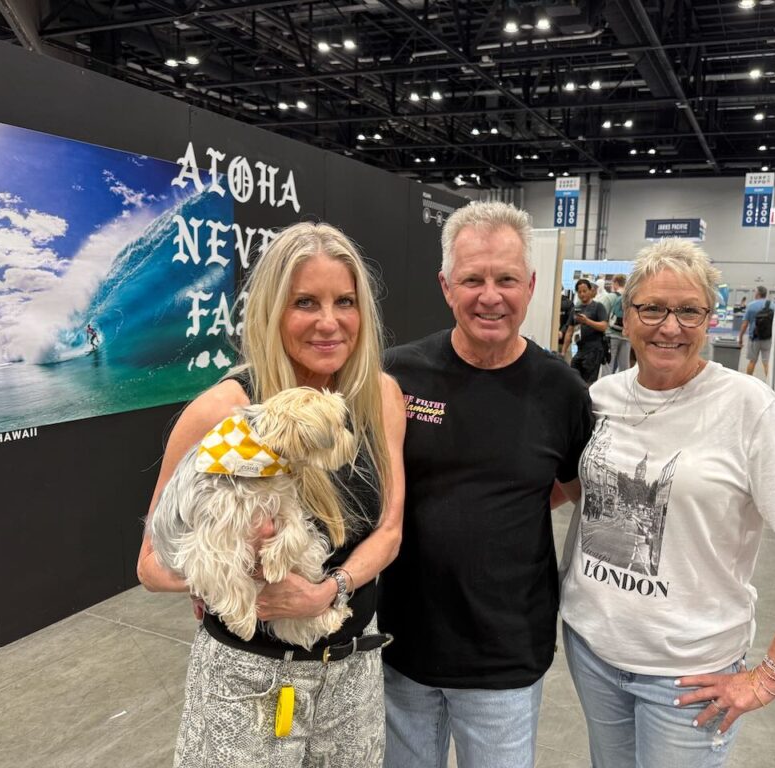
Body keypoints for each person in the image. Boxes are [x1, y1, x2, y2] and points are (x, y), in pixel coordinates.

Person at [559, 238, 775, 767]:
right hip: (592, 648)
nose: (669, 327)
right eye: (652, 308)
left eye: (689, 311)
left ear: (710, 318)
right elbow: (572, 488)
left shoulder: (747, 406)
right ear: (627, 313)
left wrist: (769, 678)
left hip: (689, 675)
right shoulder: (601, 397)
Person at [136, 222, 406, 768]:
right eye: (305, 302)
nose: (329, 322)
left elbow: (391, 530)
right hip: (248, 680)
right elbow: (151, 563)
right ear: (271, 310)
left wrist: (330, 588)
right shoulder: (222, 412)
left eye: (344, 301)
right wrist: (232, 576)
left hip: (351, 671)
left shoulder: (380, 395)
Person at [378, 201, 593, 768]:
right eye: (473, 279)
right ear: (446, 285)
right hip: (403, 648)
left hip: (505, 656)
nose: (490, 295)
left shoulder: (561, 390)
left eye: (506, 279)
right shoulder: (396, 374)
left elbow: (573, 488)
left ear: (532, 285)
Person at [562, 278, 610, 384]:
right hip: (580, 350)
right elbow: (569, 331)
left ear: (590, 290)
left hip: (594, 350)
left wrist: (587, 321)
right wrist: (563, 352)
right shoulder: (575, 309)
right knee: (574, 380)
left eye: (585, 291)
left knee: (588, 383)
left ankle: (588, 400)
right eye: (579, 292)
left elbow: (604, 326)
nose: (582, 294)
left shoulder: (598, 307)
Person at [738, 285, 775, 377]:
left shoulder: (751, 305)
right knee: (766, 362)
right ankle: (769, 383)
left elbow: (745, 324)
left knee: (752, 361)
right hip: (768, 338)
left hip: (754, 338)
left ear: (758, 294)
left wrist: (740, 338)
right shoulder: (772, 305)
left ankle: (748, 380)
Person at [601, 274, 630, 376]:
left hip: (611, 335)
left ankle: (606, 389)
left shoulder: (610, 297)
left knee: (608, 364)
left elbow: (603, 316)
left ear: (616, 283)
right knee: (624, 367)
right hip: (626, 336)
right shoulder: (629, 298)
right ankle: (624, 390)